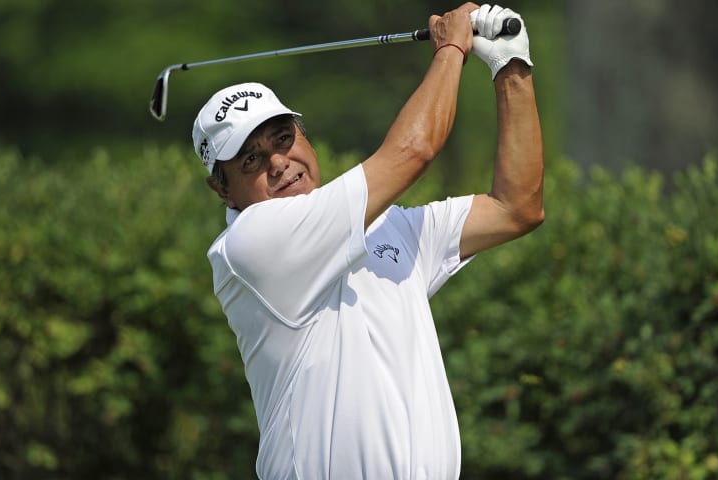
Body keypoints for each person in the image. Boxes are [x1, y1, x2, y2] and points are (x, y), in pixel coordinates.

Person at [191, 3, 543, 478]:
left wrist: (511, 68)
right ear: (222, 188)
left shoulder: (387, 226)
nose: (278, 162)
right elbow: (413, 151)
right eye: (249, 160)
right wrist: (452, 48)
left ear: (303, 134)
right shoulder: (251, 245)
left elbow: (516, 208)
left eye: (282, 137)